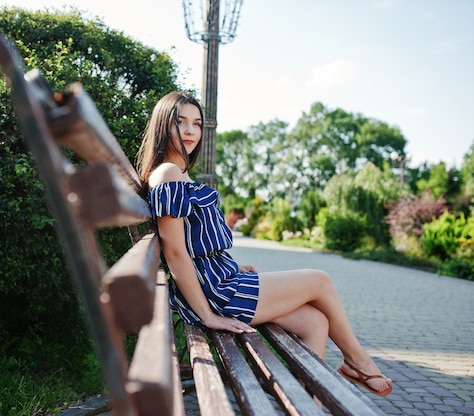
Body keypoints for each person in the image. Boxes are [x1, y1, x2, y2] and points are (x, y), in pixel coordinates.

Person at [135, 91, 392, 397]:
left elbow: (193, 244)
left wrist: (231, 265)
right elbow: (175, 252)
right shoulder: (169, 174)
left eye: (197, 123)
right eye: (181, 122)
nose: (190, 131)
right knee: (320, 281)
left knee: (315, 321)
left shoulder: (178, 173)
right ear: (163, 125)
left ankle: (306, 403)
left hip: (220, 280)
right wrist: (208, 315)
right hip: (217, 293)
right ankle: (358, 362)